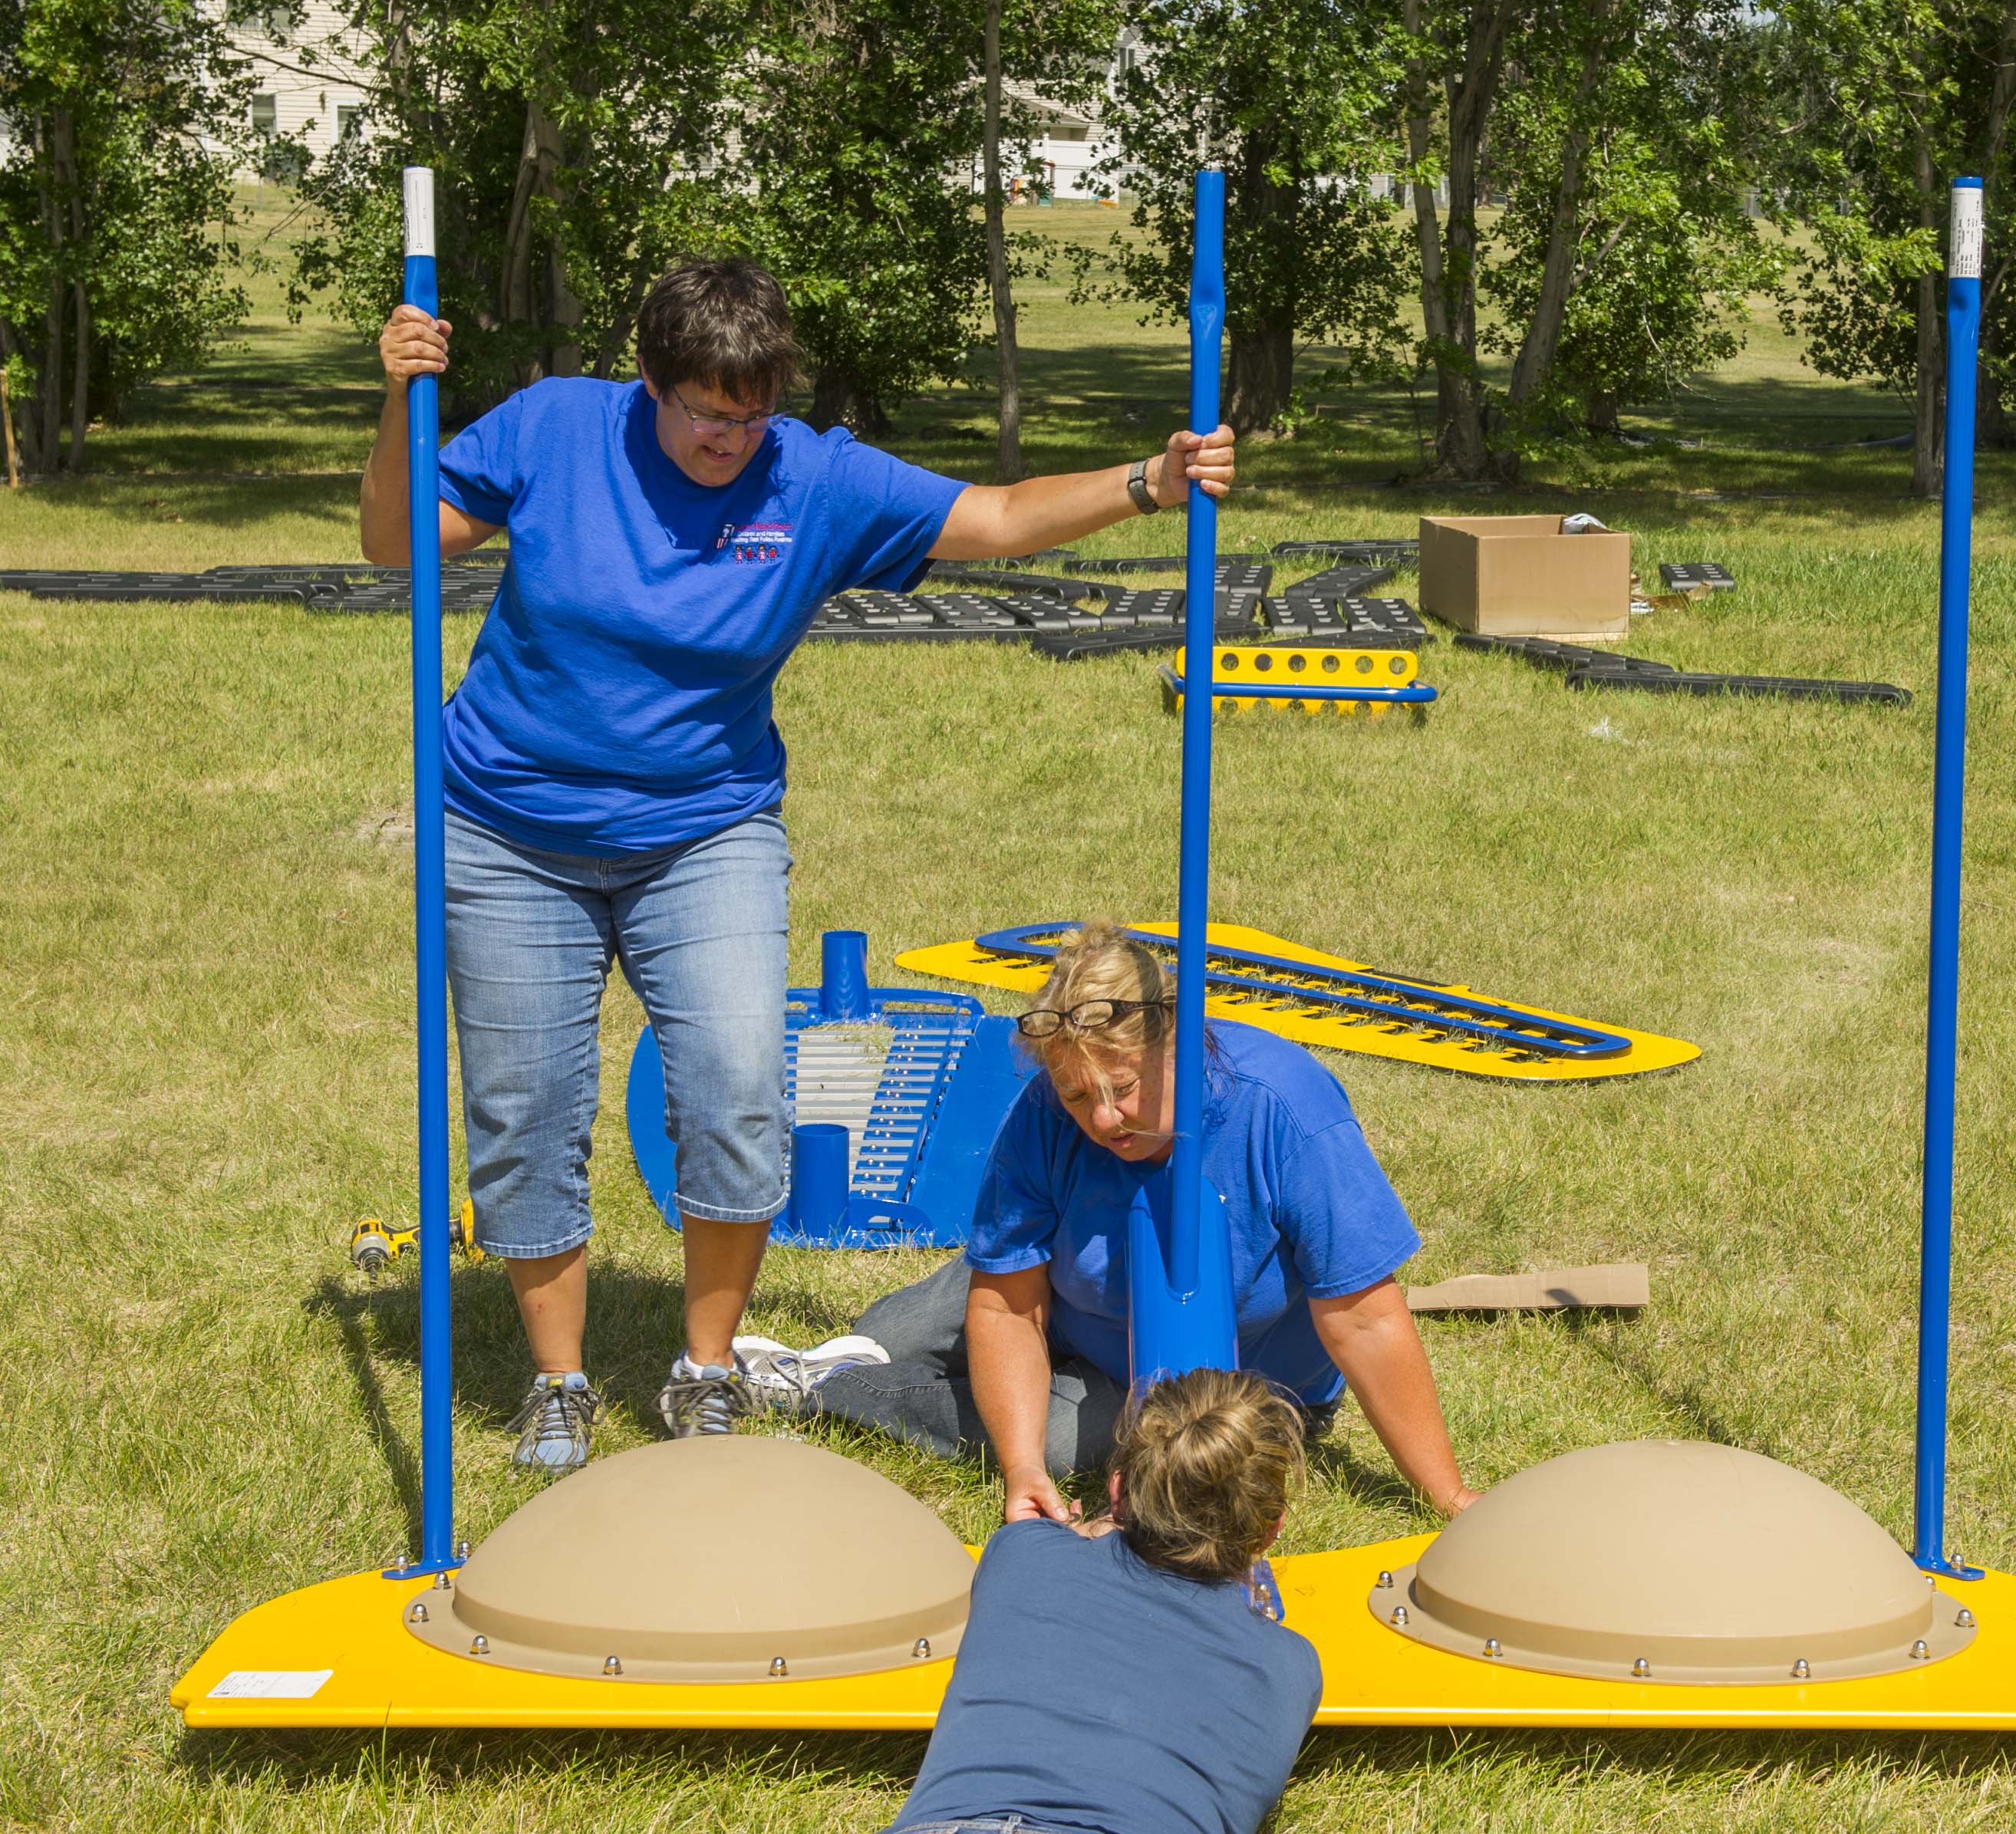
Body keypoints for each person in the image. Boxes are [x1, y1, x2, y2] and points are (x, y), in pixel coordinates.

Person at [361, 262, 1235, 1470]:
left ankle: (703, 1371)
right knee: (524, 1111)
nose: (729, 439)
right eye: (705, 414)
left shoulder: (810, 475)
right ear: (649, 387)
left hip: (706, 828)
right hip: (509, 828)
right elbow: (394, 539)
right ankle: (559, 1384)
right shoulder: (559, 426)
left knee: (736, 1083)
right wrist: (396, 403)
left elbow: (991, 515)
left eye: (751, 415)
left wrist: (1150, 482)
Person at [813, 922, 1481, 1522]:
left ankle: (818, 1387)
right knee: (886, 1333)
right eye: (1077, 1094)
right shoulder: (1042, 1113)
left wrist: (1448, 1495)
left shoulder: (1283, 1108)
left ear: (1179, 1046)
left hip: (1204, 1382)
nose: (1102, 1120)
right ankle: (862, 1356)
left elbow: (1366, 1319)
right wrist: (1018, 1473)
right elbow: (1009, 1310)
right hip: (1062, 1288)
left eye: (1124, 1088)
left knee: (1055, 1440)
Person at [884, 1368, 1321, 1834]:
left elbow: (1054, 1548)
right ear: (1273, 1525)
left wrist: (1084, 1530)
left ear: (1116, 1492)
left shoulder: (1021, 1555)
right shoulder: (1289, 1667)